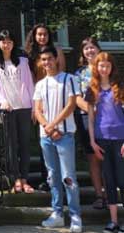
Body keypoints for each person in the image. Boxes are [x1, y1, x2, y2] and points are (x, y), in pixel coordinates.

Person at [33, 45, 83, 233]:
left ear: (56, 59)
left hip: (65, 135)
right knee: (53, 176)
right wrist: (48, 126)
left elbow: (71, 106)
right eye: (43, 59)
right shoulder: (40, 84)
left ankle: (75, 216)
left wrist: (54, 124)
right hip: (46, 137)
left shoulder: (69, 79)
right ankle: (57, 214)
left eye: (49, 59)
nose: (46, 62)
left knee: (68, 177)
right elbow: (37, 110)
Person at [0, 29, 36, 194]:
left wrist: (33, 108)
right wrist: (3, 101)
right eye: (3, 41)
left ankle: (25, 179)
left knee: (24, 145)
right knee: (11, 146)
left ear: (13, 43)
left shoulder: (23, 62)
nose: (6, 44)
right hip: (8, 109)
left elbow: (30, 85)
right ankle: (15, 179)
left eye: (9, 41)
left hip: (24, 108)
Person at [87, 52, 124, 232]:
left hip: (120, 140)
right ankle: (114, 221)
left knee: (122, 180)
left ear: (112, 68)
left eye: (107, 65)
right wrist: (93, 142)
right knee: (108, 180)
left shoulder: (120, 87)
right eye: (101, 65)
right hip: (102, 140)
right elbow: (91, 119)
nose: (104, 68)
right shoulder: (92, 89)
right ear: (96, 67)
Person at [74, 37, 107, 209]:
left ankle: (111, 194)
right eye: (86, 48)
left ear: (98, 49)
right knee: (93, 158)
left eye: (92, 47)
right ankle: (99, 195)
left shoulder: (106, 68)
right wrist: (92, 110)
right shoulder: (79, 74)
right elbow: (76, 98)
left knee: (107, 156)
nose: (89, 51)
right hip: (86, 118)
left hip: (108, 118)